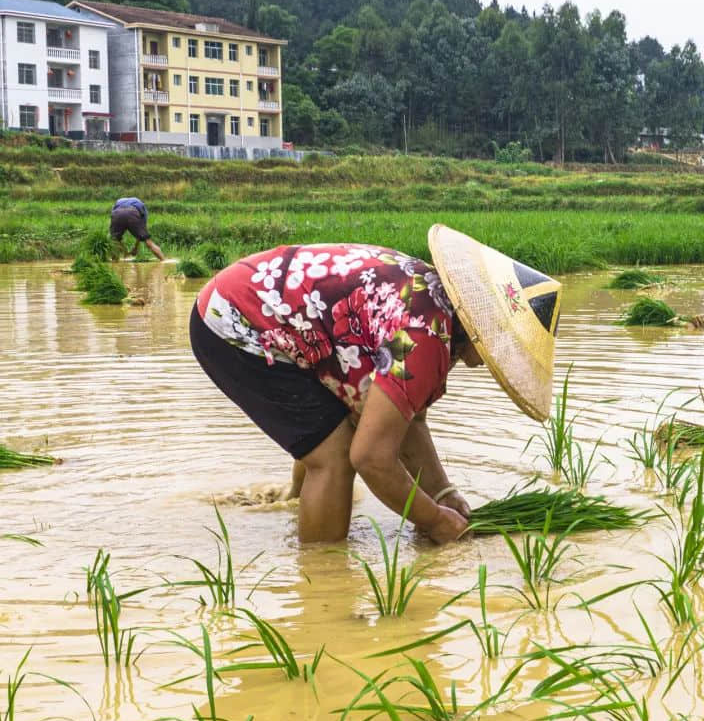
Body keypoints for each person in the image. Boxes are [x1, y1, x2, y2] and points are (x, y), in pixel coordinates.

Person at [189, 224, 563, 545]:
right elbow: (372, 459)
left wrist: (442, 494)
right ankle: (324, 586)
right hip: (236, 322)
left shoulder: (433, 306)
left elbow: (407, 420)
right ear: (488, 331)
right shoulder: (425, 337)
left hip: (265, 307)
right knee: (334, 459)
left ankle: (294, 507)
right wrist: (434, 520)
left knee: (339, 430)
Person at [110, 197, 165, 261]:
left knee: (114, 240)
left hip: (117, 213)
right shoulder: (141, 205)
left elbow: (112, 215)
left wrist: (125, 250)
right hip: (132, 212)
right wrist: (136, 248)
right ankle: (163, 261)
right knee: (148, 241)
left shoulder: (119, 201)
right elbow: (142, 230)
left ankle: (114, 263)